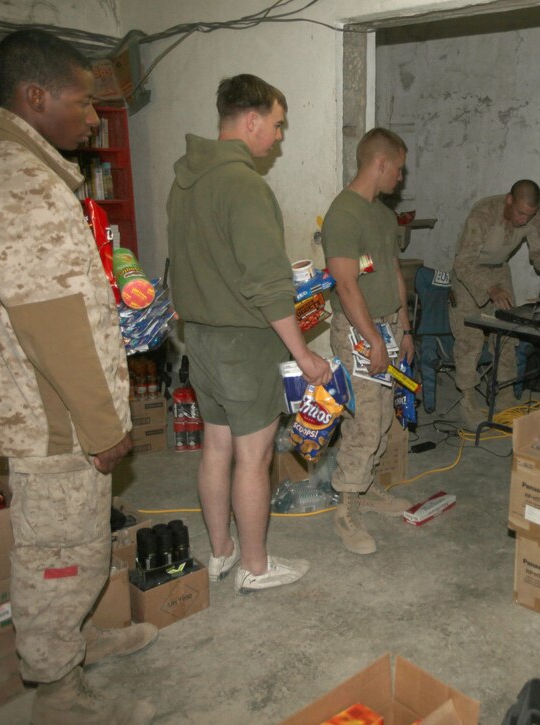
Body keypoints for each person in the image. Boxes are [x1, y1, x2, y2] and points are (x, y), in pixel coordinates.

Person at [0, 29, 156, 724]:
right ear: (36, 96)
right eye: (86, 100)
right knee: (56, 559)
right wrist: (103, 427)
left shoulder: (26, 171)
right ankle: (58, 693)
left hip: (56, 410)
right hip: (54, 420)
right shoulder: (24, 185)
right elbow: (54, 325)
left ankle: (76, 644)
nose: (96, 115)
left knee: (77, 541)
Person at [167, 75, 331, 593]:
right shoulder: (244, 185)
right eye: (277, 126)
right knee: (254, 456)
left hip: (200, 338)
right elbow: (266, 283)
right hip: (244, 341)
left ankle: (221, 553)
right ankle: (256, 567)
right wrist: (303, 353)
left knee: (216, 447)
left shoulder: (185, 180)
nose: (278, 138)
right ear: (252, 119)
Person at [322, 128, 416, 555]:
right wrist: (372, 338)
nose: (400, 176)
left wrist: (403, 327)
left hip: (387, 329)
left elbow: (392, 271)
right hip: (359, 331)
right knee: (364, 420)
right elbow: (345, 283)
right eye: (398, 168)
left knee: (383, 417)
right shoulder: (343, 213)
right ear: (380, 163)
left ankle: (368, 487)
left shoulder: (382, 214)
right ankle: (345, 506)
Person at [450, 180, 540, 427]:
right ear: (509, 200)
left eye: (529, 215)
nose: (524, 220)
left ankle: (505, 394)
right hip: (470, 271)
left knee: (509, 334)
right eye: (520, 213)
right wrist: (490, 288)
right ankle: (467, 399)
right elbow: (463, 262)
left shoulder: (535, 218)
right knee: (470, 338)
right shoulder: (484, 213)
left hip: (500, 270)